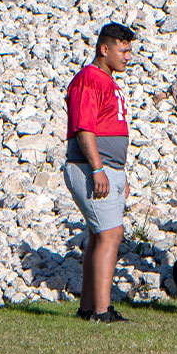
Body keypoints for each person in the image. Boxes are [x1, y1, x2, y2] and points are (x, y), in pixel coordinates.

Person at [64, 22, 137, 323]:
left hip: (110, 168)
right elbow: (84, 129)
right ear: (104, 49)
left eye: (130, 50)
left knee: (98, 235)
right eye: (123, 50)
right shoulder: (89, 79)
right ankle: (102, 311)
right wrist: (98, 169)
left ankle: (87, 307)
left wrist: (119, 172)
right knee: (111, 234)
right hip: (90, 167)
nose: (128, 57)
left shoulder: (108, 80)